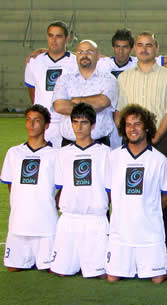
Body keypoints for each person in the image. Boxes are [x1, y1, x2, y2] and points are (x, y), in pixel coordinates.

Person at [105, 104, 167, 284]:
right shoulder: (113, 158)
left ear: (146, 127)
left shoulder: (160, 161)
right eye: (128, 125)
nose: (132, 129)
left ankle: (162, 259)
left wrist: (149, 210)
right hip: (121, 232)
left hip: (149, 231)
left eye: (137, 124)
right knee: (112, 278)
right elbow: (109, 192)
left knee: (158, 279)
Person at [50, 103, 110, 278]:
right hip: (70, 219)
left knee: (101, 274)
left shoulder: (105, 153)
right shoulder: (62, 153)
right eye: (75, 122)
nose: (78, 127)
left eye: (83, 122)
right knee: (62, 273)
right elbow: (60, 187)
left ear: (92, 125)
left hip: (95, 219)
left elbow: (109, 189)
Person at [1, 105, 58, 272]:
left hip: (46, 223)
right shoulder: (14, 153)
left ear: (47, 125)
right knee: (13, 268)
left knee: (50, 269)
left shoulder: (55, 154)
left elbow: (63, 186)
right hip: (20, 221)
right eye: (28, 120)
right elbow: (11, 184)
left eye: (37, 120)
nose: (31, 124)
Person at [116, 32, 167, 156]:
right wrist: (128, 134)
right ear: (134, 48)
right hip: (131, 140)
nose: (144, 49)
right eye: (140, 45)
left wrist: (157, 136)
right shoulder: (123, 77)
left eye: (149, 45)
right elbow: (118, 112)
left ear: (157, 48)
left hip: (159, 141)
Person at [52, 40, 118, 147]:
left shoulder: (108, 79)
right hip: (69, 144)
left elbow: (102, 102)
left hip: (100, 143)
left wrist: (75, 100)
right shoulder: (64, 79)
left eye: (89, 52)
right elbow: (59, 106)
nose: (84, 55)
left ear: (98, 56)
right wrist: (92, 103)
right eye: (80, 52)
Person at [24, 21, 77, 147]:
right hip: (44, 124)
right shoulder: (34, 62)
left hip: (68, 123)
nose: (54, 40)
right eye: (51, 35)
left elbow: (96, 57)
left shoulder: (76, 62)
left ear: (67, 39)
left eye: (58, 36)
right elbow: (33, 93)